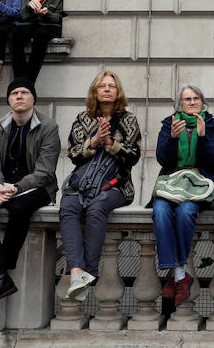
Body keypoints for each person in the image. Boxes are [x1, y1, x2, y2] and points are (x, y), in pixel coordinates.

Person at [0, 78, 59, 309]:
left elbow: (45, 171)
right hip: (0, 183)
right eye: (14, 93)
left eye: (24, 92)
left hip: (35, 186)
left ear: (33, 98)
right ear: (8, 99)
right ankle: (0, 276)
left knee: (19, 209)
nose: (19, 96)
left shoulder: (48, 127)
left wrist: (15, 189)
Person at [60, 72, 141, 302]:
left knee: (96, 209)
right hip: (81, 184)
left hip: (116, 187)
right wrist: (93, 142)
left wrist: (110, 143)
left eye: (111, 86)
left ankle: (89, 272)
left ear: (118, 92)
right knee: (68, 207)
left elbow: (133, 157)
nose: (106, 89)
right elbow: (74, 154)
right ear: (95, 91)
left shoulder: (128, 120)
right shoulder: (83, 118)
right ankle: (76, 271)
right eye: (102, 86)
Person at [153, 84, 214, 305]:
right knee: (160, 210)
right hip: (172, 184)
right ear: (180, 104)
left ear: (202, 101)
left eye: (196, 98)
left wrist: (202, 137)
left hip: (199, 186)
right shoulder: (169, 124)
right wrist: (173, 139)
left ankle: (177, 276)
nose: (192, 102)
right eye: (187, 99)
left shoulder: (211, 125)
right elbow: (163, 160)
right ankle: (180, 275)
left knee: (186, 212)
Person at [10, 0, 64, 83]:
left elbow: (61, 18)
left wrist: (47, 13)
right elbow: (23, 16)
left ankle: (29, 82)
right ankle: (20, 80)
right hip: (32, 24)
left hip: (49, 26)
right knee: (15, 35)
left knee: (41, 36)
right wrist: (29, 7)